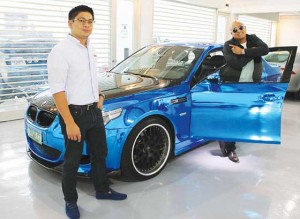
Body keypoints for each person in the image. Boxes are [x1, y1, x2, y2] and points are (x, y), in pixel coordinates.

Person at [47, 5, 127, 219]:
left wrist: (99, 96)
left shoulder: (89, 47)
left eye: (90, 20)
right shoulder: (61, 51)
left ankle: (102, 189)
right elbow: (58, 90)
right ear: (70, 23)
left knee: (99, 153)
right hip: (75, 115)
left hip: (94, 111)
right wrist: (70, 122)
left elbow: (89, 77)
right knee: (72, 161)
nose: (86, 24)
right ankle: (70, 201)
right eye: (81, 20)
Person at [219, 21, 269, 163]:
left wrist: (243, 52)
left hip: (252, 85)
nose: (239, 31)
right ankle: (230, 148)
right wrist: (254, 52)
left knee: (244, 115)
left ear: (245, 29)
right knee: (233, 117)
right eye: (235, 29)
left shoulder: (253, 38)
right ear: (231, 33)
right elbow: (236, 63)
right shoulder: (228, 45)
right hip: (234, 85)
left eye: (241, 28)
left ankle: (230, 138)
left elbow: (265, 49)